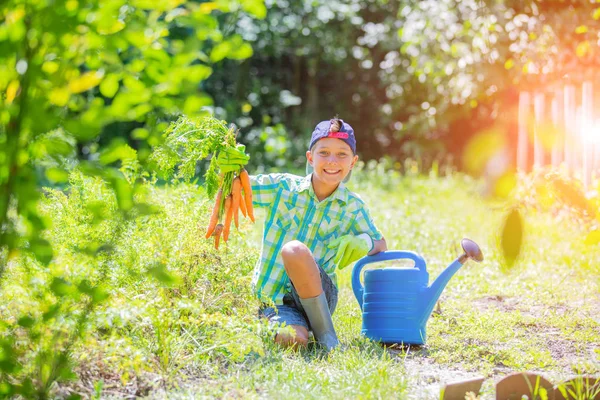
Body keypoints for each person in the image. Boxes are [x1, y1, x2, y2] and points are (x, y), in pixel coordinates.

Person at [217, 118, 387, 350]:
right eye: (324, 152)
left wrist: (364, 241)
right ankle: (296, 328)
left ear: (353, 162)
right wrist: (228, 171)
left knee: (294, 250)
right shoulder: (282, 188)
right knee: (293, 341)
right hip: (276, 300)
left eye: (342, 155)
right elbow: (236, 190)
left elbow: (380, 243)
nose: (332, 161)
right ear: (310, 157)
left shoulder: (352, 207)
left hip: (320, 297)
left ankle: (327, 336)